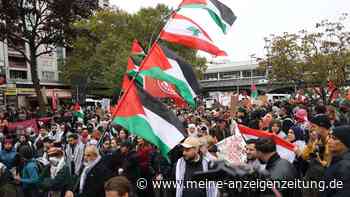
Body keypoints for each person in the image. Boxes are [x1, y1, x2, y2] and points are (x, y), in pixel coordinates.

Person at [322, 125, 350, 197]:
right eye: (330, 137)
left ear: (345, 142)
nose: (329, 141)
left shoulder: (345, 166)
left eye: (334, 138)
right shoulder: (338, 160)